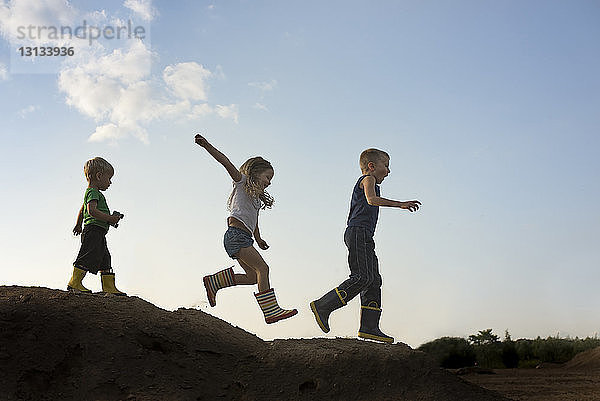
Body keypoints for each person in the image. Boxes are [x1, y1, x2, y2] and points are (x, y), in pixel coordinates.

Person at [310, 148, 421, 343]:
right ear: (371, 166)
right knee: (362, 277)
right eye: (385, 166)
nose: (388, 171)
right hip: (358, 232)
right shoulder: (368, 179)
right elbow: (371, 200)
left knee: (374, 279)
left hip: (364, 235)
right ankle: (323, 305)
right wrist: (400, 204)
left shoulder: (372, 181)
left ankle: (369, 327)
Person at [195, 134, 297, 324]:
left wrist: (258, 239)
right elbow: (225, 162)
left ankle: (214, 282)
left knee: (252, 277)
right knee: (263, 268)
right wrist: (207, 145)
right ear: (255, 173)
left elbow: (254, 221)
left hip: (243, 238)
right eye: (268, 177)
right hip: (236, 236)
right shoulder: (241, 182)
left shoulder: (256, 199)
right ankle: (271, 311)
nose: (269, 182)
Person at [68, 157, 126, 295]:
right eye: (109, 178)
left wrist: (78, 224)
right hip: (93, 231)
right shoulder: (93, 192)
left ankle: (109, 287)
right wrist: (110, 218)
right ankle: (74, 282)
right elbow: (91, 211)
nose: (110, 182)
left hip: (98, 231)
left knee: (105, 257)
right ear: (99, 176)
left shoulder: (91, 193)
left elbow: (82, 210)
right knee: (87, 255)